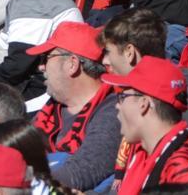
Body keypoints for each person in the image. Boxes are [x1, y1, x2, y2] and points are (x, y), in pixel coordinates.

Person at [27, 22, 122, 190]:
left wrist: (17, 182)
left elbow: (83, 171)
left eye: (46, 58)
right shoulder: (52, 108)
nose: (41, 67)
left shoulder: (114, 109)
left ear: (72, 64)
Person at [104, 56, 188, 194]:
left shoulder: (183, 172)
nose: (117, 106)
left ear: (143, 104)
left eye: (122, 97)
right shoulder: (147, 150)